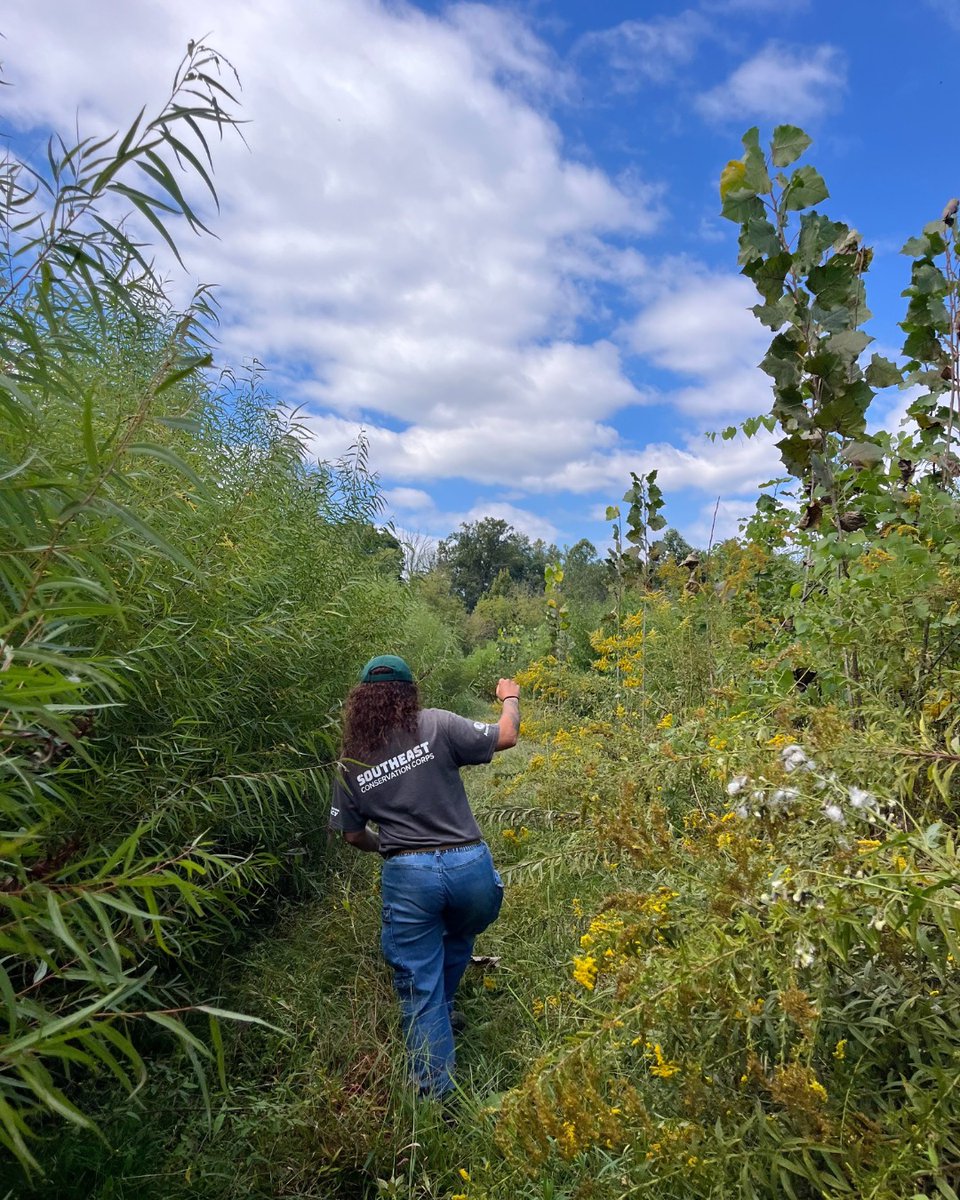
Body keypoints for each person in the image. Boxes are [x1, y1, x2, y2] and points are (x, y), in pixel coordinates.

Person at [329, 654, 521, 1098]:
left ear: (360, 702)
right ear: (409, 692)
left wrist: (392, 850)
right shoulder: (437, 724)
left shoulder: (350, 760)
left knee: (419, 985)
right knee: (458, 932)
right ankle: (446, 1008)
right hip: (470, 868)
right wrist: (509, 699)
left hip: (409, 876)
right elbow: (507, 735)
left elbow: (353, 834)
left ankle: (437, 1101)